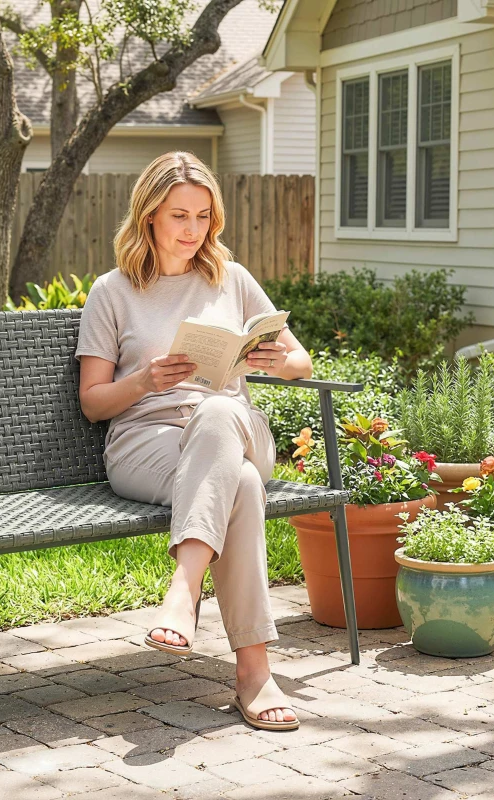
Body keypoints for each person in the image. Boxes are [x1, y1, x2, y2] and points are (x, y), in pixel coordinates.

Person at [74, 151, 313, 732]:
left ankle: (183, 591)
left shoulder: (231, 279)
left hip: (232, 423)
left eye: (203, 217)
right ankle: (254, 674)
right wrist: (144, 381)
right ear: (149, 215)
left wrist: (278, 362)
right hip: (145, 443)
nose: (192, 230)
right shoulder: (112, 292)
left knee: (216, 412)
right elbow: (92, 401)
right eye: (179, 215)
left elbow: (302, 361)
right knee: (245, 486)